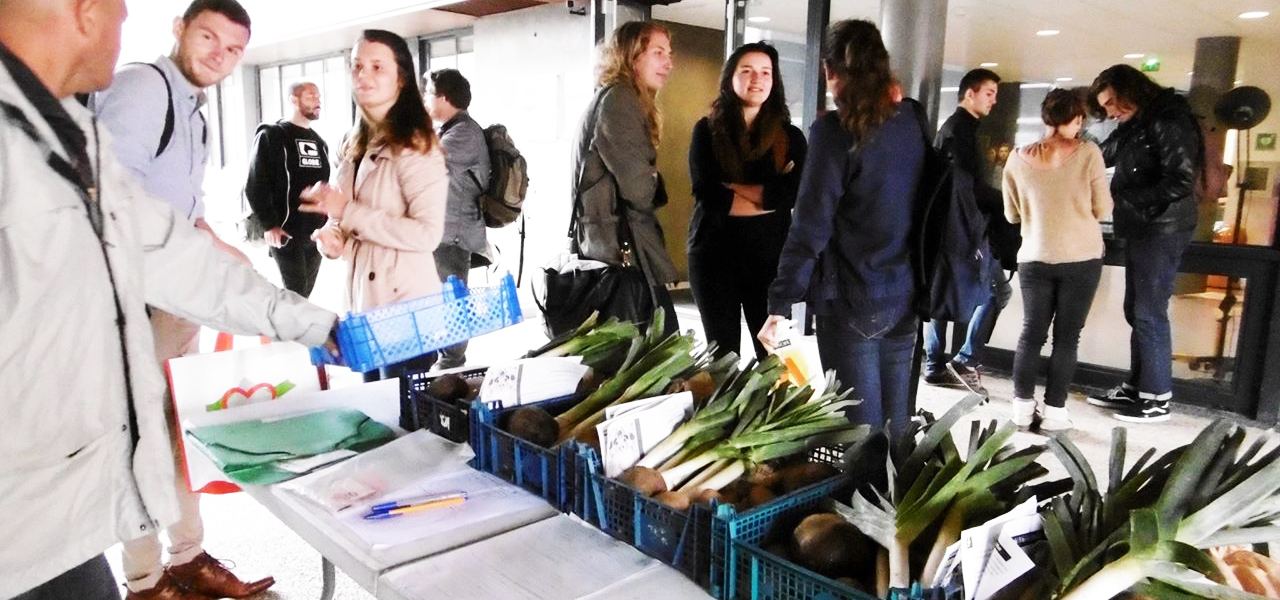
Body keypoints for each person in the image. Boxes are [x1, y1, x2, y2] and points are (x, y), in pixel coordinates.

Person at [0, 0, 338, 598]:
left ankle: (170, 565)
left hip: (42, 518)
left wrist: (312, 323)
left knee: (159, 431)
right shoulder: (132, 96)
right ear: (84, 13)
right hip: (21, 504)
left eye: (234, 48)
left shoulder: (63, 130)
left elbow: (162, 240)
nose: (124, 15)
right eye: (118, 9)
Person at [93, 1, 280, 597]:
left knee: (176, 433)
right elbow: (109, 199)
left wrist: (230, 257)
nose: (218, 56)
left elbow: (187, 213)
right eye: (208, 37)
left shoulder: (192, 111)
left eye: (232, 49)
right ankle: (147, 583)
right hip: (133, 305)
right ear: (179, 29)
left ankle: (188, 559)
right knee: (139, 445)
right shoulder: (144, 88)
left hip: (172, 302)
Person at [759, 19, 924, 435]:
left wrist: (780, 301)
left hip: (852, 299)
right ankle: (897, 495)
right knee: (897, 424)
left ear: (831, 71)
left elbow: (811, 226)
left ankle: (863, 496)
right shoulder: (912, 121)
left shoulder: (834, 131)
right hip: (905, 295)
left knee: (858, 430)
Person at [301, 29, 448, 381]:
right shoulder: (355, 143)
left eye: (377, 67)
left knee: (403, 422)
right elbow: (346, 218)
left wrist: (347, 213)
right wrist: (333, 237)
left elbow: (427, 235)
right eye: (357, 66)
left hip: (406, 310)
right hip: (364, 306)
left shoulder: (417, 145)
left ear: (401, 79)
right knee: (376, 414)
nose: (363, 75)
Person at [1086, 64, 1202, 423]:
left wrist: (1127, 200)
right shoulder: (1136, 122)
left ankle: (1156, 398)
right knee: (1137, 308)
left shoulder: (1169, 119)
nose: (1110, 112)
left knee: (1149, 311)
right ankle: (1138, 387)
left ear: (1129, 92)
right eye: (1105, 107)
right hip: (1145, 227)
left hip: (1163, 227)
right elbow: (1103, 154)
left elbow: (1181, 180)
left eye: (1111, 104)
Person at [1003, 89, 1113, 431]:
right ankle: (1054, 412)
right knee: (1067, 338)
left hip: (1034, 257)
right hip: (1081, 258)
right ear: (1075, 118)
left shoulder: (1017, 158)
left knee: (1030, 334)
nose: (1080, 126)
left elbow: (1011, 215)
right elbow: (1104, 208)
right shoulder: (1088, 153)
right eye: (1079, 118)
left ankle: (1021, 408)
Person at [688, 42, 807, 360]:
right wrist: (770, 195)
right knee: (722, 358)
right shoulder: (706, 131)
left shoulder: (790, 137)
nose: (758, 78)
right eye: (747, 70)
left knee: (778, 360)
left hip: (771, 266)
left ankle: (775, 412)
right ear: (730, 78)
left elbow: (793, 195)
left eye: (766, 72)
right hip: (713, 259)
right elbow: (710, 196)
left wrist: (734, 188)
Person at [570, 20, 678, 337]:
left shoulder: (610, 97)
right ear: (631, 56)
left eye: (669, 53)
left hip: (604, 249)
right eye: (658, 52)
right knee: (650, 351)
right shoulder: (620, 100)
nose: (668, 62)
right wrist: (654, 179)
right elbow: (640, 190)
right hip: (621, 256)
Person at [922, 68, 1013, 396]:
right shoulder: (959, 131)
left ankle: (936, 363)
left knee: (943, 294)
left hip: (956, 230)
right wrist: (1004, 202)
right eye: (989, 92)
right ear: (969, 94)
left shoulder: (956, 128)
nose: (994, 100)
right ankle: (963, 359)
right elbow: (966, 187)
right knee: (996, 293)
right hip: (966, 231)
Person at [425, 68, 491, 370]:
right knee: (443, 297)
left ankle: (452, 360)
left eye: (428, 93)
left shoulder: (464, 132)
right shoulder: (451, 129)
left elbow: (425, 162)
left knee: (452, 298)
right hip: (445, 229)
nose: (425, 99)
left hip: (454, 232)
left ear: (443, 97)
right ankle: (445, 357)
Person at [244, 81, 332, 297]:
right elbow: (256, 182)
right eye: (311, 96)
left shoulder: (320, 143)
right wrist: (269, 225)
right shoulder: (273, 135)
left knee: (304, 295)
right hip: (286, 232)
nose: (318, 101)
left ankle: (292, 330)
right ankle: (286, 330)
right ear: (294, 100)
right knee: (296, 294)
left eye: (319, 96)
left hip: (314, 233)